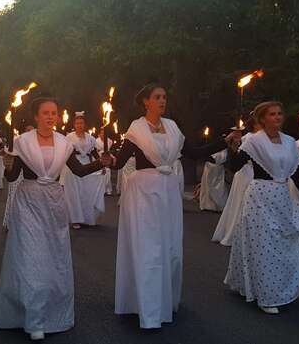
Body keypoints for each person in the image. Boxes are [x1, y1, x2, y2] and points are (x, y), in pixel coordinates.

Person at [111, 82, 239, 328]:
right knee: (149, 249)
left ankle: (165, 300)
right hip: (144, 195)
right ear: (146, 102)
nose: (162, 101)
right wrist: (108, 159)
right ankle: (147, 309)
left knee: (169, 250)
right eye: (157, 97)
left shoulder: (172, 127)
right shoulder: (136, 129)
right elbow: (119, 163)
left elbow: (194, 152)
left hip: (168, 192)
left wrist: (224, 141)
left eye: (164, 97)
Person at [0, 98, 111, 341]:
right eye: (45, 113)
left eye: (54, 113)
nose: (50, 117)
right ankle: (33, 318)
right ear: (36, 117)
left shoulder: (63, 143)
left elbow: (78, 171)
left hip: (54, 204)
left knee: (52, 258)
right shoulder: (22, 142)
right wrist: (6, 165)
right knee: (31, 258)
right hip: (28, 203)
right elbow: (12, 176)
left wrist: (101, 162)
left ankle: (51, 308)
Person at [224, 101, 299, 314]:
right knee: (262, 245)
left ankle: (275, 287)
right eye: (272, 114)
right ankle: (266, 296)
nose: (277, 117)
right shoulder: (254, 142)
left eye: (279, 113)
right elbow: (234, 166)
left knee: (279, 244)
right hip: (259, 197)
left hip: (282, 196)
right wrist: (232, 147)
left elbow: (295, 172)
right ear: (262, 118)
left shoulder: (289, 142)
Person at [212, 118, 261, 245]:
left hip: (253, 173)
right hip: (246, 173)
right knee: (240, 203)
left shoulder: (260, 138)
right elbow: (238, 159)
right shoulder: (249, 139)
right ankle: (237, 232)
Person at [62, 112, 106, 229]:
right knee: (74, 194)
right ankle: (75, 219)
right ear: (74, 125)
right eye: (77, 123)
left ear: (84, 124)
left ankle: (86, 218)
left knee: (85, 192)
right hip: (73, 166)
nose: (79, 125)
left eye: (81, 123)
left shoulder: (90, 138)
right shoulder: (68, 137)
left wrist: (101, 165)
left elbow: (94, 153)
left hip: (86, 165)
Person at [2, 125, 34, 231]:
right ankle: (11, 221)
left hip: (28, 178)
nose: (30, 133)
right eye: (28, 131)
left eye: (31, 131)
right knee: (14, 197)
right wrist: (8, 165)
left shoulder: (35, 146)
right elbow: (9, 153)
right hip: (17, 174)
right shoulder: (18, 143)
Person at [96, 127, 113, 195]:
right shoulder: (96, 141)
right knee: (100, 174)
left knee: (108, 173)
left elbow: (109, 149)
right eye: (102, 133)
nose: (103, 134)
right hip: (99, 157)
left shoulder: (109, 141)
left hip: (107, 157)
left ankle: (108, 189)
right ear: (99, 134)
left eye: (104, 133)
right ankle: (101, 190)